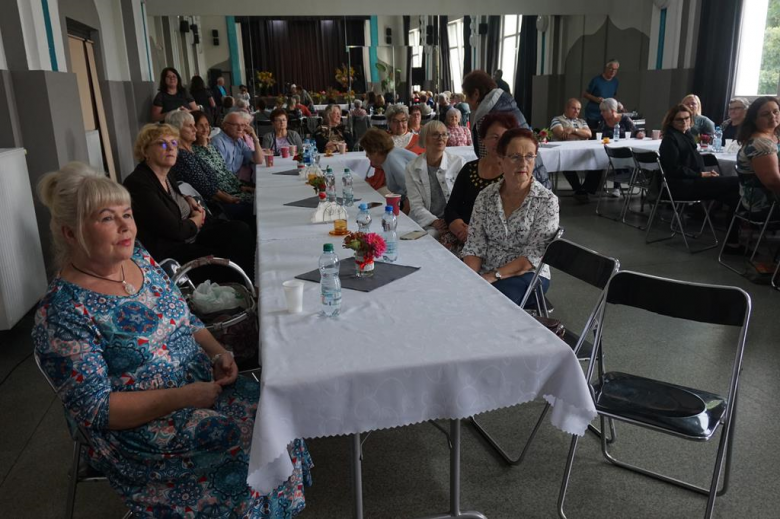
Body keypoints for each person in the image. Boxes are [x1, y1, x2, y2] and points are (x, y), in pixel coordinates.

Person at [33, 162, 312, 518]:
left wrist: (217, 353)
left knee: (278, 414)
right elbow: (97, 410)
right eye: (107, 218)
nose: (125, 227)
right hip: (143, 429)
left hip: (200, 386)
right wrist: (184, 397)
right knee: (243, 440)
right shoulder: (63, 310)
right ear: (70, 233)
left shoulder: (138, 259)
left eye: (127, 214)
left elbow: (184, 317)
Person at [123, 124, 256, 275]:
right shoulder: (139, 184)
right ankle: (243, 286)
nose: (171, 148)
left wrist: (188, 198)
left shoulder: (165, 174)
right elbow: (175, 230)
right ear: (145, 151)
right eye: (162, 143)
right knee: (230, 253)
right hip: (174, 250)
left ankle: (251, 283)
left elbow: (170, 197)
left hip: (191, 234)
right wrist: (197, 219)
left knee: (241, 229)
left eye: (174, 143)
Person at [462, 128, 559, 307]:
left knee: (489, 303)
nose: (523, 163)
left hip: (527, 274)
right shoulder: (486, 196)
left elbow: (531, 258)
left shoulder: (546, 201)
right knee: (459, 293)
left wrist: (492, 277)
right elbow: (475, 245)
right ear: (501, 161)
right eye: (515, 156)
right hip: (486, 271)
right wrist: (471, 278)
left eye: (529, 156)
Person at [659, 104, 741, 250]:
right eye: (679, 120)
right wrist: (701, 174)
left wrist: (705, 175)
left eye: (687, 118)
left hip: (695, 181)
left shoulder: (686, 135)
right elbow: (674, 170)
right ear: (671, 122)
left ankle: (732, 243)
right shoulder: (670, 140)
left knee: (736, 198)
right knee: (737, 181)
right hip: (683, 186)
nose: (684, 122)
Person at [462, 69, 551, 189]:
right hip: (532, 175)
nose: (466, 100)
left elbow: (488, 158)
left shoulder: (489, 116)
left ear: (476, 94)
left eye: (467, 95)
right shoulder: (506, 104)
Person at [165, 111, 255, 227]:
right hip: (215, 207)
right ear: (177, 130)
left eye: (194, 125)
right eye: (190, 126)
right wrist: (229, 198)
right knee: (258, 206)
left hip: (223, 197)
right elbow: (206, 187)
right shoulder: (183, 156)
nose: (195, 130)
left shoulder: (190, 151)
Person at [445, 112, 519, 248]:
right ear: (483, 139)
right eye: (494, 137)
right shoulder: (469, 168)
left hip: (497, 242)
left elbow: (513, 220)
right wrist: (458, 227)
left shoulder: (515, 174)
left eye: (505, 137)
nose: (499, 142)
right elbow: (451, 207)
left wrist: (474, 233)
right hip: (462, 235)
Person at [405, 121, 464, 238]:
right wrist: (435, 222)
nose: (441, 138)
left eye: (444, 134)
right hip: (426, 223)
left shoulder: (459, 162)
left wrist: (453, 222)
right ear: (424, 139)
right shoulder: (412, 167)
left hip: (454, 221)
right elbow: (416, 204)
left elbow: (464, 200)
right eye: (435, 134)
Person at [192, 110, 256, 203]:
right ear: (193, 129)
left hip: (233, 188)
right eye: (200, 126)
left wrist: (240, 186)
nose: (205, 129)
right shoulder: (194, 151)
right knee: (261, 200)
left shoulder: (209, 146)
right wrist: (229, 196)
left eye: (206, 125)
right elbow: (212, 178)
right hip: (224, 196)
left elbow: (223, 170)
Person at [735, 96, 780, 218]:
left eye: (775, 111)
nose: (772, 116)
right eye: (765, 114)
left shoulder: (773, 136)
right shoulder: (761, 144)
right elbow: (774, 182)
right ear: (754, 120)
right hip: (766, 204)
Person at [550, 98, 598, 202]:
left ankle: (585, 189)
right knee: (564, 162)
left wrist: (573, 130)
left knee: (599, 161)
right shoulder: (557, 120)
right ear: (566, 108)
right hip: (565, 152)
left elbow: (589, 134)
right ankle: (579, 189)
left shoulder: (582, 121)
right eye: (574, 108)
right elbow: (561, 135)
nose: (576, 111)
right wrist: (581, 134)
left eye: (578, 109)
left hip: (583, 152)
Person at [597, 98, 644, 197]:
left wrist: (640, 134)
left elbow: (636, 131)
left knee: (618, 157)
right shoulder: (603, 121)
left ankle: (616, 187)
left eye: (604, 111)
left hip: (625, 153)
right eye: (601, 111)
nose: (601, 113)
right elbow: (599, 136)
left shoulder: (625, 119)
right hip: (607, 151)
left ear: (613, 111)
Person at [360, 127, 416, 201]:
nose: (366, 155)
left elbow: (413, 193)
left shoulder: (392, 160)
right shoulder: (389, 157)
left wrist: (401, 212)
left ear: (375, 151)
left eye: (367, 152)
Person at [211, 111, 263, 175]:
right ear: (225, 125)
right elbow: (219, 173)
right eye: (235, 125)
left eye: (243, 125)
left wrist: (255, 138)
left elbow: (258, 160)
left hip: (235, 181)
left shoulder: (239, 141)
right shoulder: (218, 142)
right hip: (226, 182)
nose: (240, 128)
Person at [583, 60, 620, 129]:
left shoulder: (615, 82)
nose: (613, 71)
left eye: (615, 70)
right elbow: (585, 94)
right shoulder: (596, 80)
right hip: (593, 114)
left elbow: (613, 96)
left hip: (607, 115)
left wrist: (617, 105)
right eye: (611, 69)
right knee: (593, 135)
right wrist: (596, 99)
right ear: (606, 68)